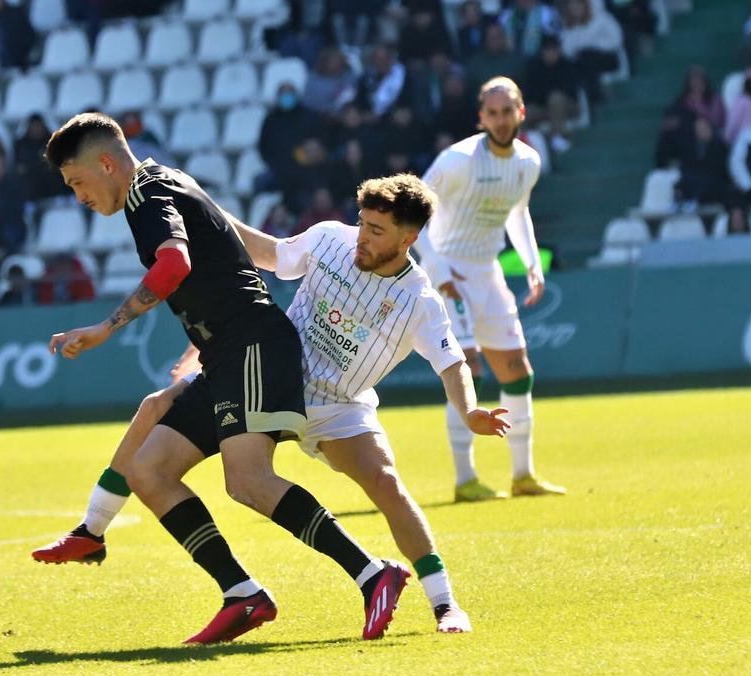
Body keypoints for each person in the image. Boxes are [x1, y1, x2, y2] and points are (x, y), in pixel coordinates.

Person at [35, 174, 514, 634]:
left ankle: (445, 604)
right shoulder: (331, 239)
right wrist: (201, 207)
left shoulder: (419, 302)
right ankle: (93, 529)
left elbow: (452, 365)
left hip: (335, 406)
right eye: (362, 223)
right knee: (156, 410)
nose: (361, 238)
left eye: (376, 231)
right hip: (268, 371)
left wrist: (469, 410)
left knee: (385, 483)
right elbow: (266, 252)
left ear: (408, 238)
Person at [43, 113, 412, 644]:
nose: (77, 195)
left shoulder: (146, 196)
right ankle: (242, 594)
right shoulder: (161, 182)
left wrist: (107, 326)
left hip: (252, 345)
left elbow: (174, 264)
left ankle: (373, 574)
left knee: (247, 481)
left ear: (106, 163)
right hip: (226, 353)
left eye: (77, 182)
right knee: (150, 472)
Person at [413, 77, 566, 503]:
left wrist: (533, 264)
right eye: (492, 113)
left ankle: (523, 475)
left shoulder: (528, 163)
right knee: (467, 369)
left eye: (508, 112)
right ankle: (465, 480)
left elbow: (518, 213)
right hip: (450, 273)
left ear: (521, 113)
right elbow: (414, 212)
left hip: (488, 271)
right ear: (481, 118)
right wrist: (437, 267)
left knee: (517, 370)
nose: (500, 121)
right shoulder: (457, 160)